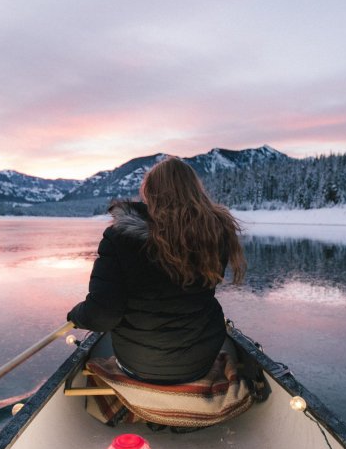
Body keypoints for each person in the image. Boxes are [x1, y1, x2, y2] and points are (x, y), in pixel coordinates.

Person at [67, 156, 246, 384]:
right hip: (200, 361)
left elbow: (103, 315)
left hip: (140, 365)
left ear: (149, 193)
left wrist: (75, 315)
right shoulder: (213, 234)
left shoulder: (120, 238)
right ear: (194, 190)